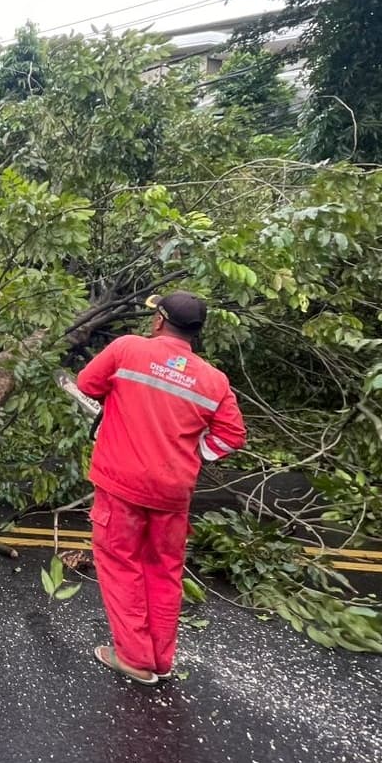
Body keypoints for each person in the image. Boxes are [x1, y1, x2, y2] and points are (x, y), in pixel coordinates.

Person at [75, 291, 246, 685]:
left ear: (158, 321)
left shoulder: (127, 349)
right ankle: (160, 659)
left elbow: (87, 383)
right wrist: (196, 453)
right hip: (172, 492)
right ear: (196, 332)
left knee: (121, 565)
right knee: (164, 571)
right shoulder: (213, 380)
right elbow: (232, 435)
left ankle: (135, 659)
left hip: (121, 483)